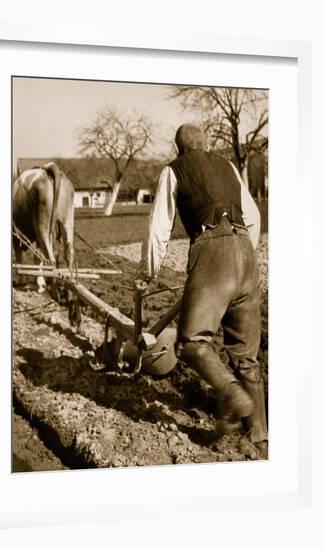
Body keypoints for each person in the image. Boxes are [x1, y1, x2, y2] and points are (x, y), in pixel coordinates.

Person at [138, 123, 268, 457]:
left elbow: (158, 227)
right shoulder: (227, 166)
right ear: (206, 143)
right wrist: (242, 254)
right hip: (247, 255)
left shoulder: (174, 170)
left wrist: (148, 273)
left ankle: (231, 394)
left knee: (192, 342)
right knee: (246, 356)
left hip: (212, 251)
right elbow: (252, 216)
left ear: (178, 147)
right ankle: (259, 435)